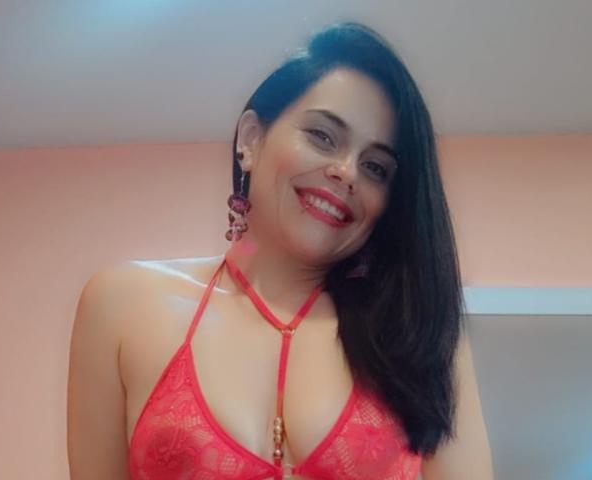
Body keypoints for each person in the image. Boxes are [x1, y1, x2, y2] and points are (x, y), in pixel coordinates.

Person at [67, 22, 493, 480]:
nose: (347, 172)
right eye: (323, 136)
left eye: (375, 167)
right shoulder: (123, 305)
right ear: (251, 140)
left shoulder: (418, 333)